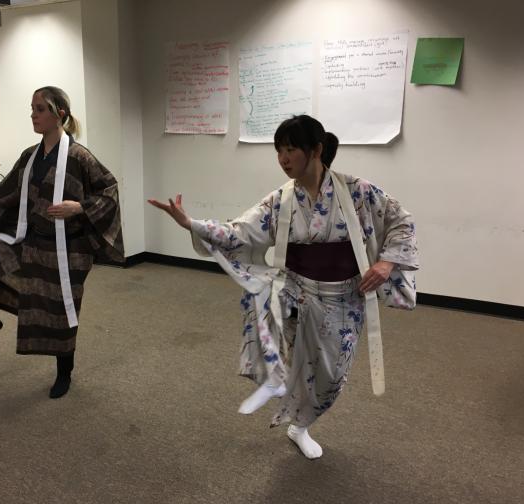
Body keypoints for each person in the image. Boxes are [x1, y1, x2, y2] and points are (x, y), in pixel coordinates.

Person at [149, 115, 418, 459]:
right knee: (262, 306)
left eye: (291, 149)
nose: (283, 158)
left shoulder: (358, 191)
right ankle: (275, 378)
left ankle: (299, 424)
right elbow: (239, 232)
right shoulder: (280, 199)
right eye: (279, 150)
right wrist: (191, 223)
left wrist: (385, 263)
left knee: (330, 377)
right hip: (297, 291)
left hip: (342, 298)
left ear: (316, 150)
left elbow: (401, 220)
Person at [0, 85, 124, 399]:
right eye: (32, 108)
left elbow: (109, 191)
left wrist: (79, 207)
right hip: (30, 240)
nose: (34, 115)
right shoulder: (30, 157)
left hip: (66, 249)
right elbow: (4, 196)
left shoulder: (79, 156)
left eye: (40, 109)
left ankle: (64, 373)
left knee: (59, 312)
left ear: (60, 114)